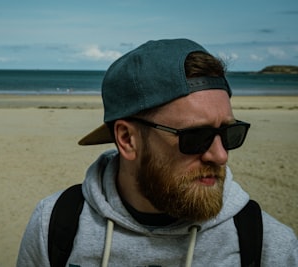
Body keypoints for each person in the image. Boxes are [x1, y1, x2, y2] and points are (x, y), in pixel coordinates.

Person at [17, 39, 297, 266]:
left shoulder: (266, 244)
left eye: (229, 134)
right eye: (195, 137)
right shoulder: (56, 224)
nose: (220, 155)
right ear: (127, 139)